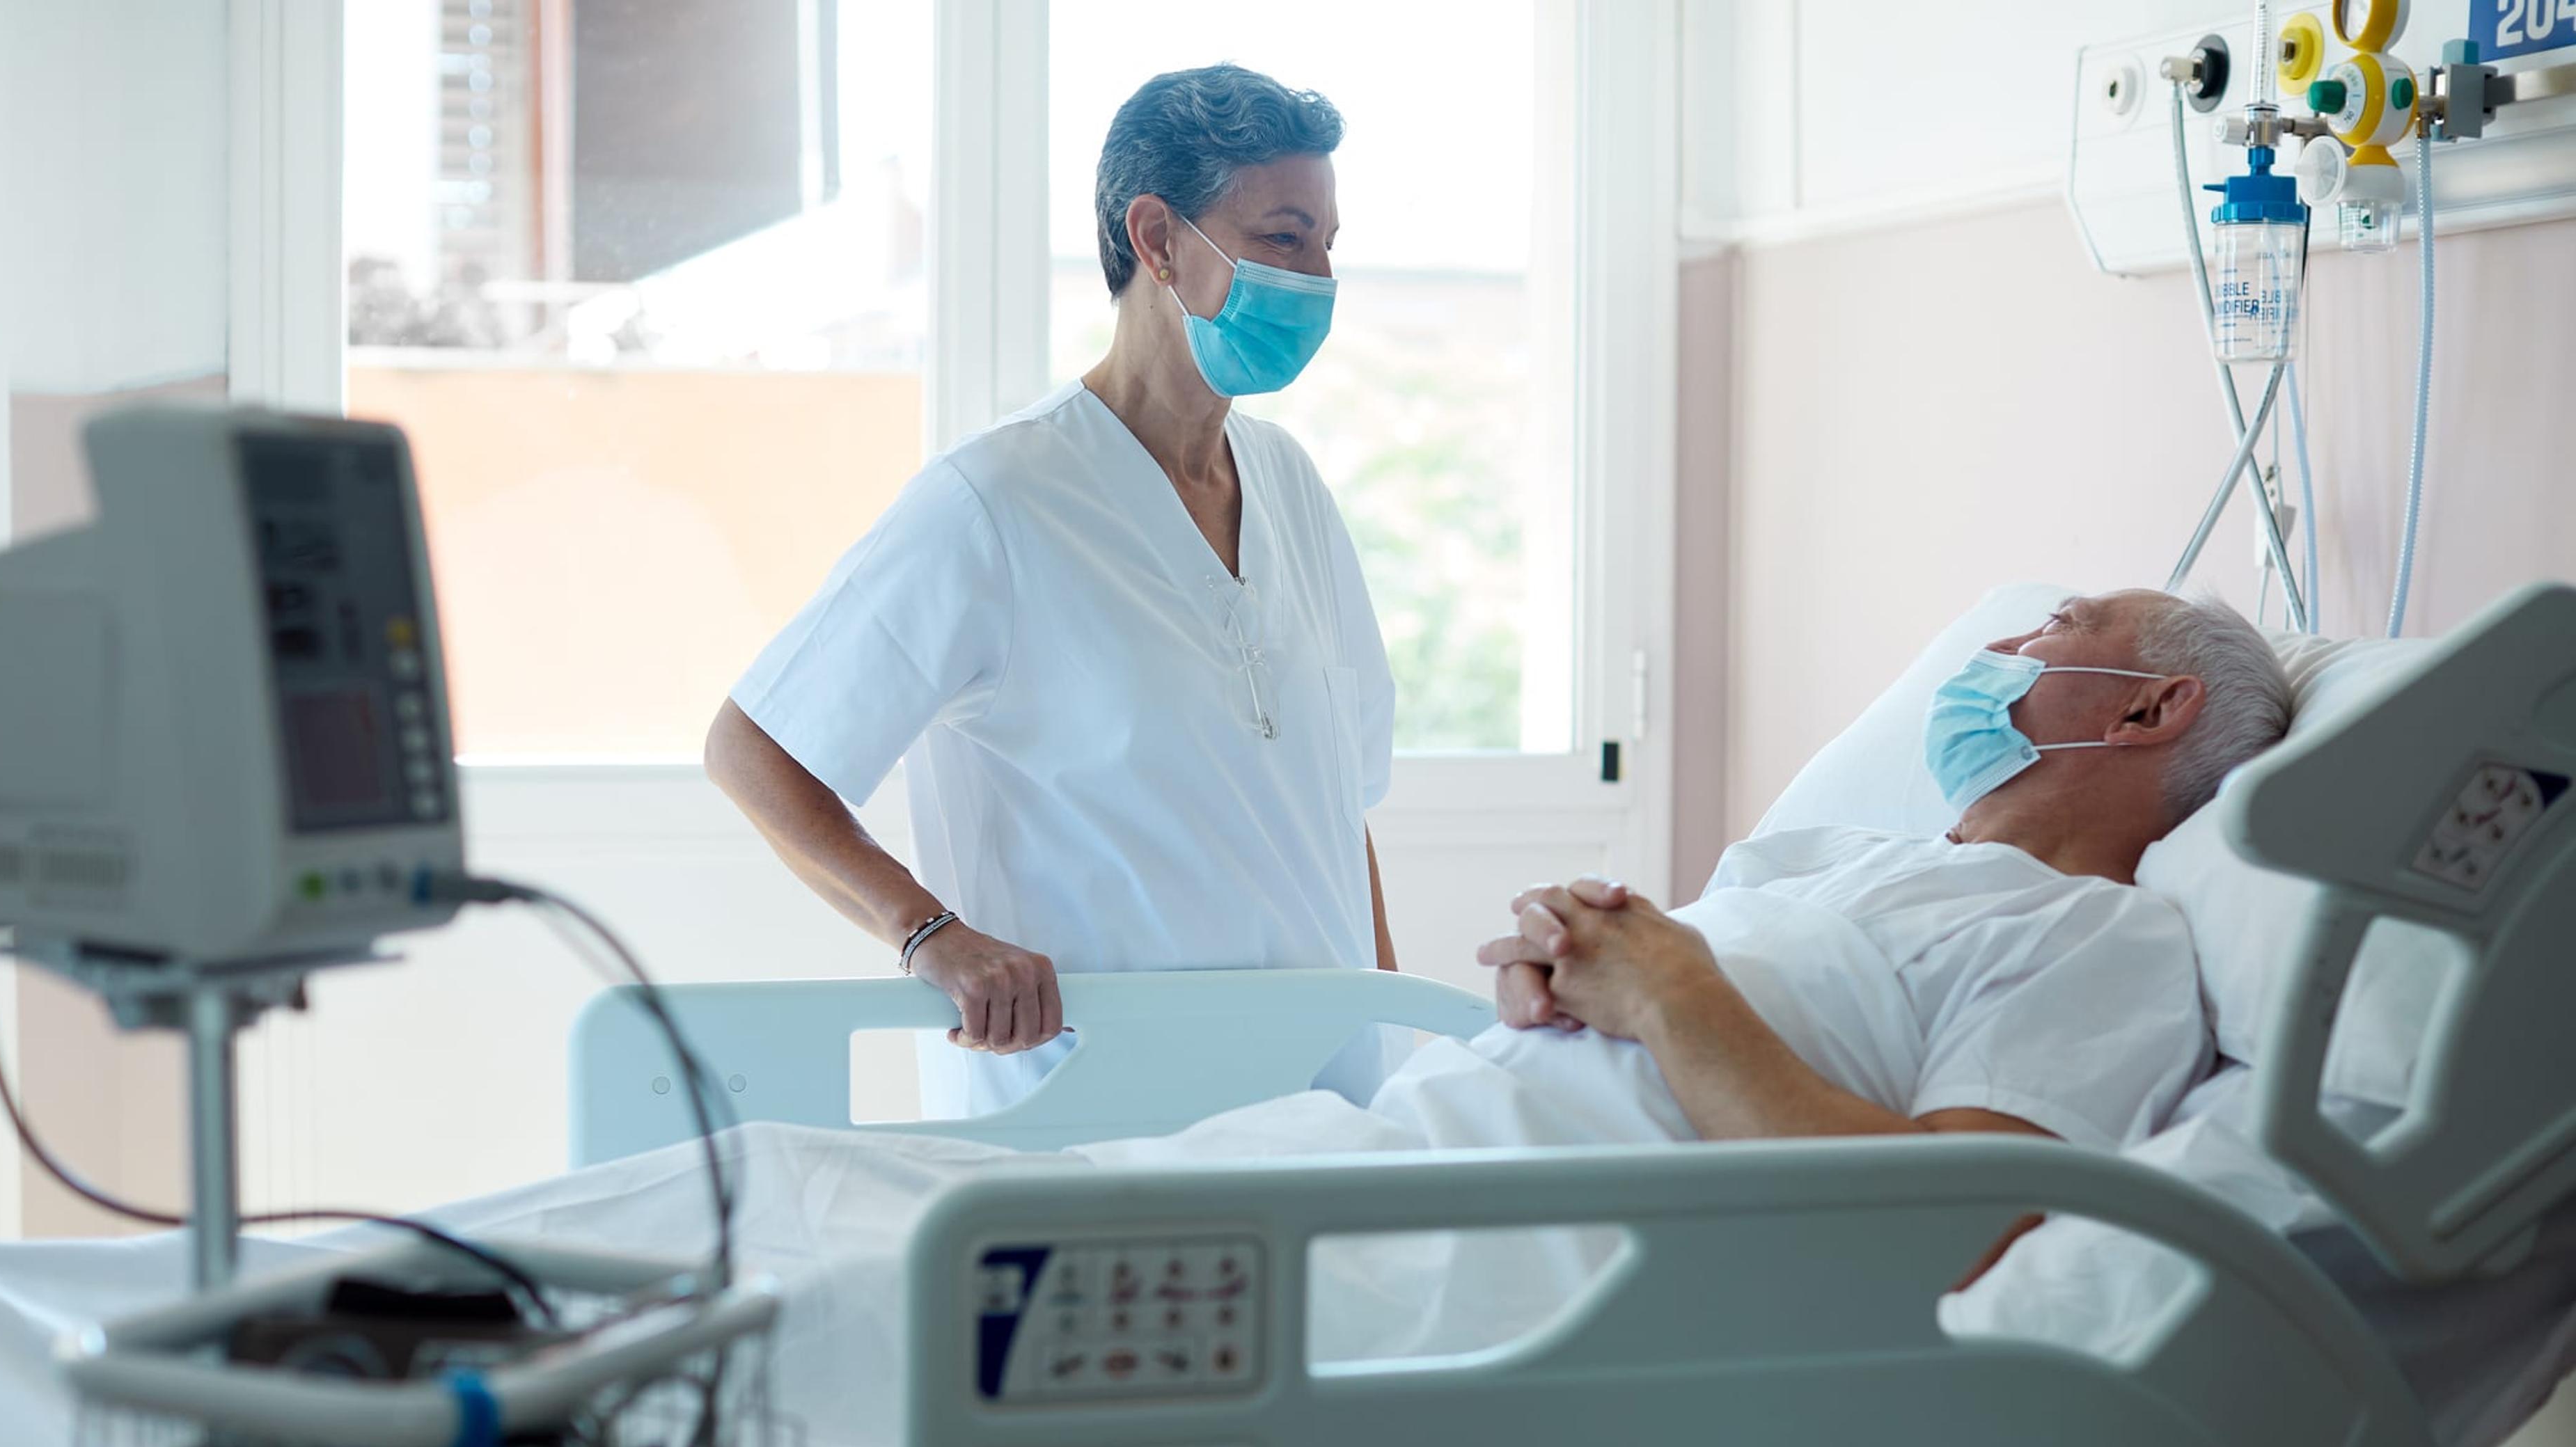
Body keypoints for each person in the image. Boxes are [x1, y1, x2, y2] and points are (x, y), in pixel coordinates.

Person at [706, 64, 1397, 1118]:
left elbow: (1336, 812)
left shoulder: (1291, 487)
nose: (1317, 279)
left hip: (1321, 1108)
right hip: (1086, 1115)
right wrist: (928, 935)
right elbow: (753, 749)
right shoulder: (996, 501)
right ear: (1159, 240)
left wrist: (1396, 1043)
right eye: (1284, 239)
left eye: (1328, 245)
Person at [1437, 590, 2294, 1159]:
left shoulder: (2103, 939)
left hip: (1451, 1250)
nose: (2001, 646)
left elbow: (1951, 1226)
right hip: (1401, 1141)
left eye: (2059, 624)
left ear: (2148, 708)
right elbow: (1638, 994)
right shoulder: (1824, 854)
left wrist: (1669, 993)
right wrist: (1565, 968)